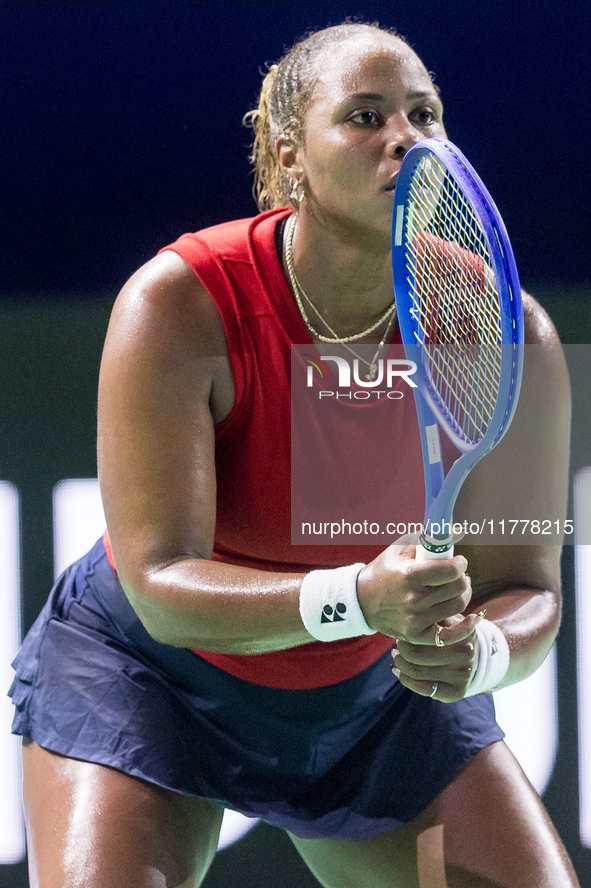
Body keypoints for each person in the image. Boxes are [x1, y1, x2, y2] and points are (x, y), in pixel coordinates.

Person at [10, 21, 578, 888]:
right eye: (363, 116)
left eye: (425, 115)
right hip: (155, 677)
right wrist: (358, 594)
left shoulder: (500, 327)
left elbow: (528, 590)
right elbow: (161, 586)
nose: (406, 140)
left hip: (377, 699)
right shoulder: (183, 302)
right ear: (290, 160)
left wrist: (481, 651)